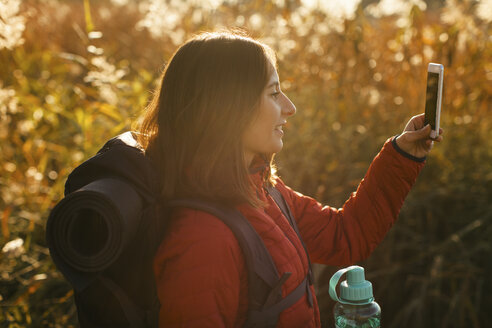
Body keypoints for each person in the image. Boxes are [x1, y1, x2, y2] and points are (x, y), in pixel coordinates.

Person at [135, 31, 443, 327]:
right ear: (228, 107)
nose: (290, 107)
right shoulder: (202, 240)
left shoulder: (263, 191)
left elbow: (346, 235)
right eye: (273, 93)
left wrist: (402, 154)